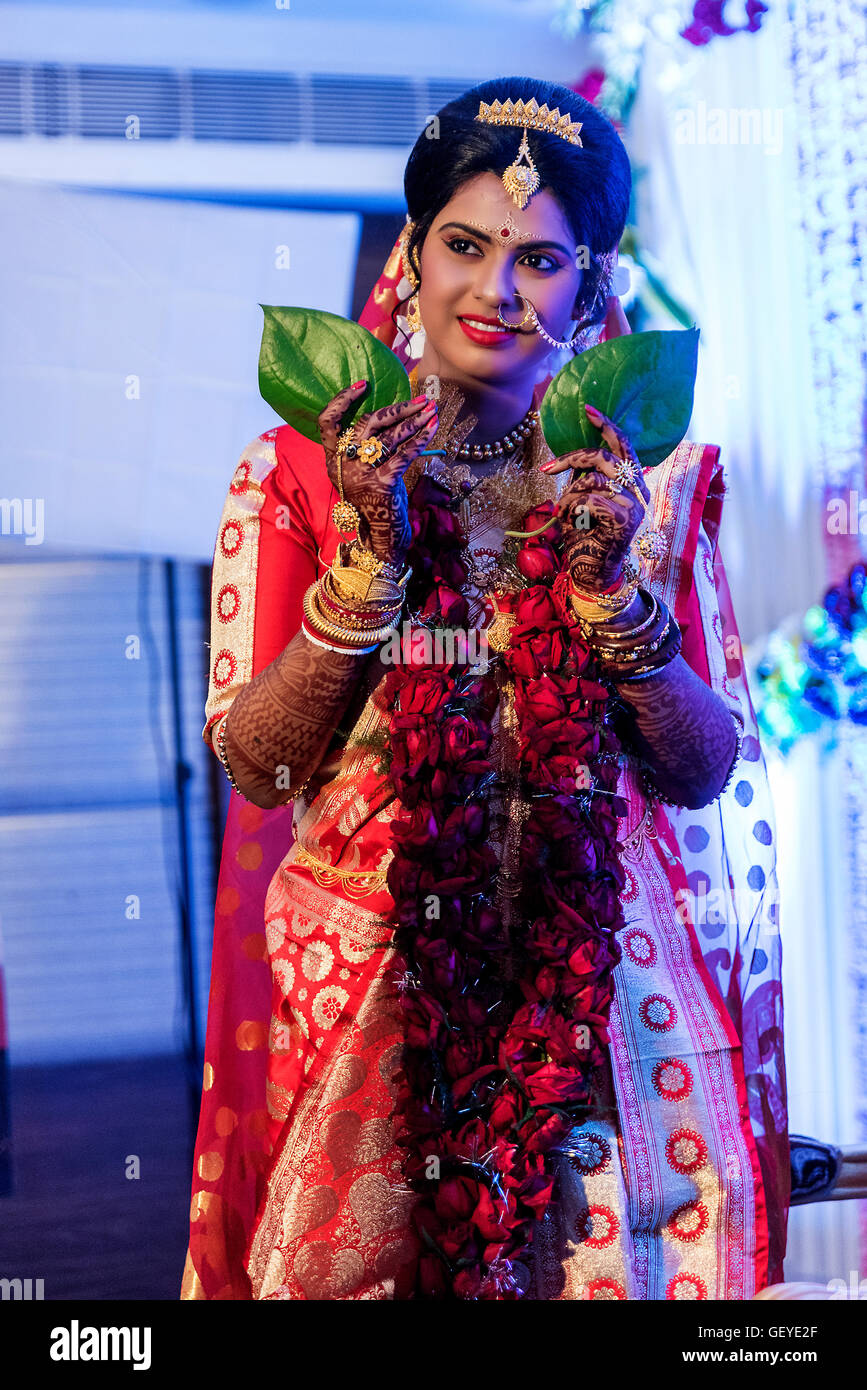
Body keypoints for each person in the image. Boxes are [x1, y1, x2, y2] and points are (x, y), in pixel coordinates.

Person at [182, 77, 788, 1302]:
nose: (496, 292)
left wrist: (613, 599)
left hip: (612, 996)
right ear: (411, 254)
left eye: (541, 259)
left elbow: (705, 763)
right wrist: (368, 566)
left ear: (593, 283)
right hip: (378, 982)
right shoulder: (297, 474)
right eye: (464, 245)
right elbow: (261, 761)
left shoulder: (645, 487)